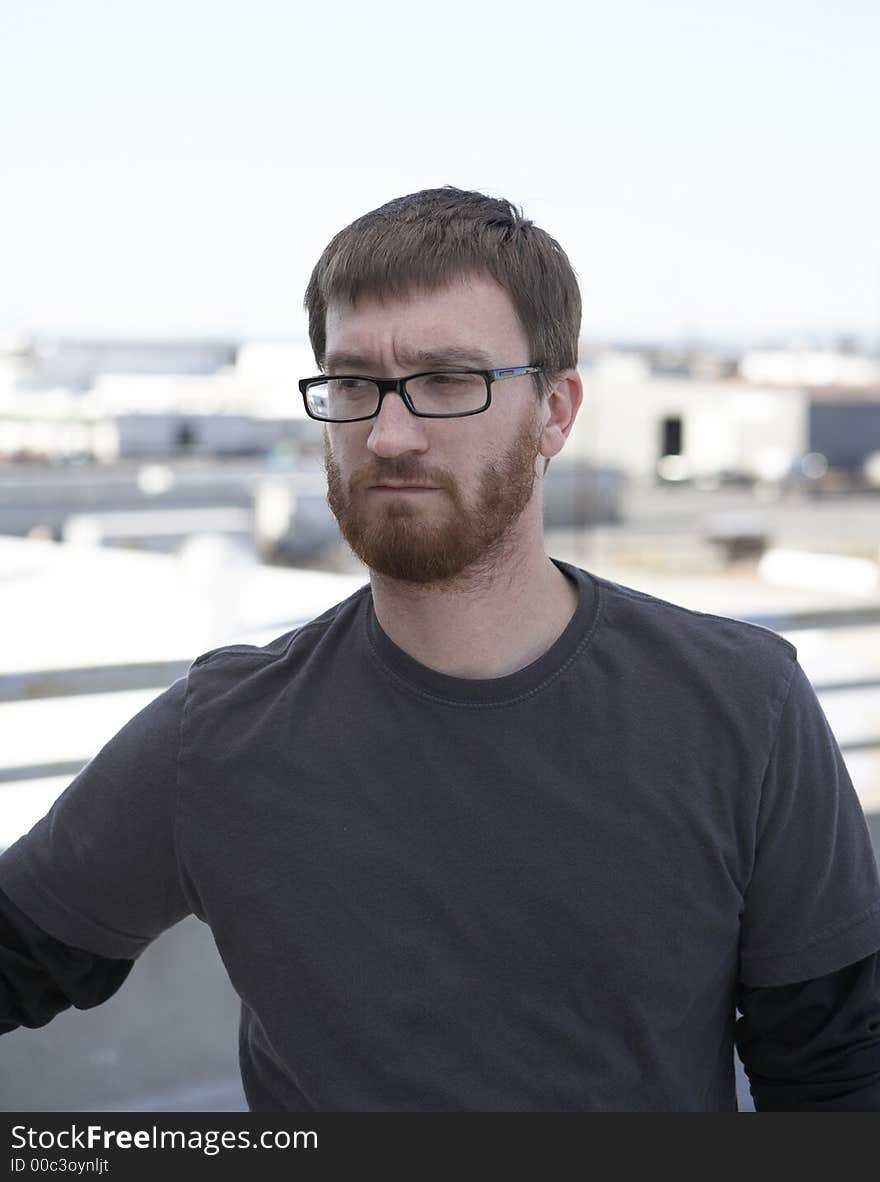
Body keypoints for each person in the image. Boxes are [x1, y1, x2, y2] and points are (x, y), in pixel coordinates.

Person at [2, 186, 880, 1112]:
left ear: (555, 409)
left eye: (449, 381)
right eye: (352, 385)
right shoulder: (217, 739)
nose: (388, 433)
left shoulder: (744, 706)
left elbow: (839, 1080)